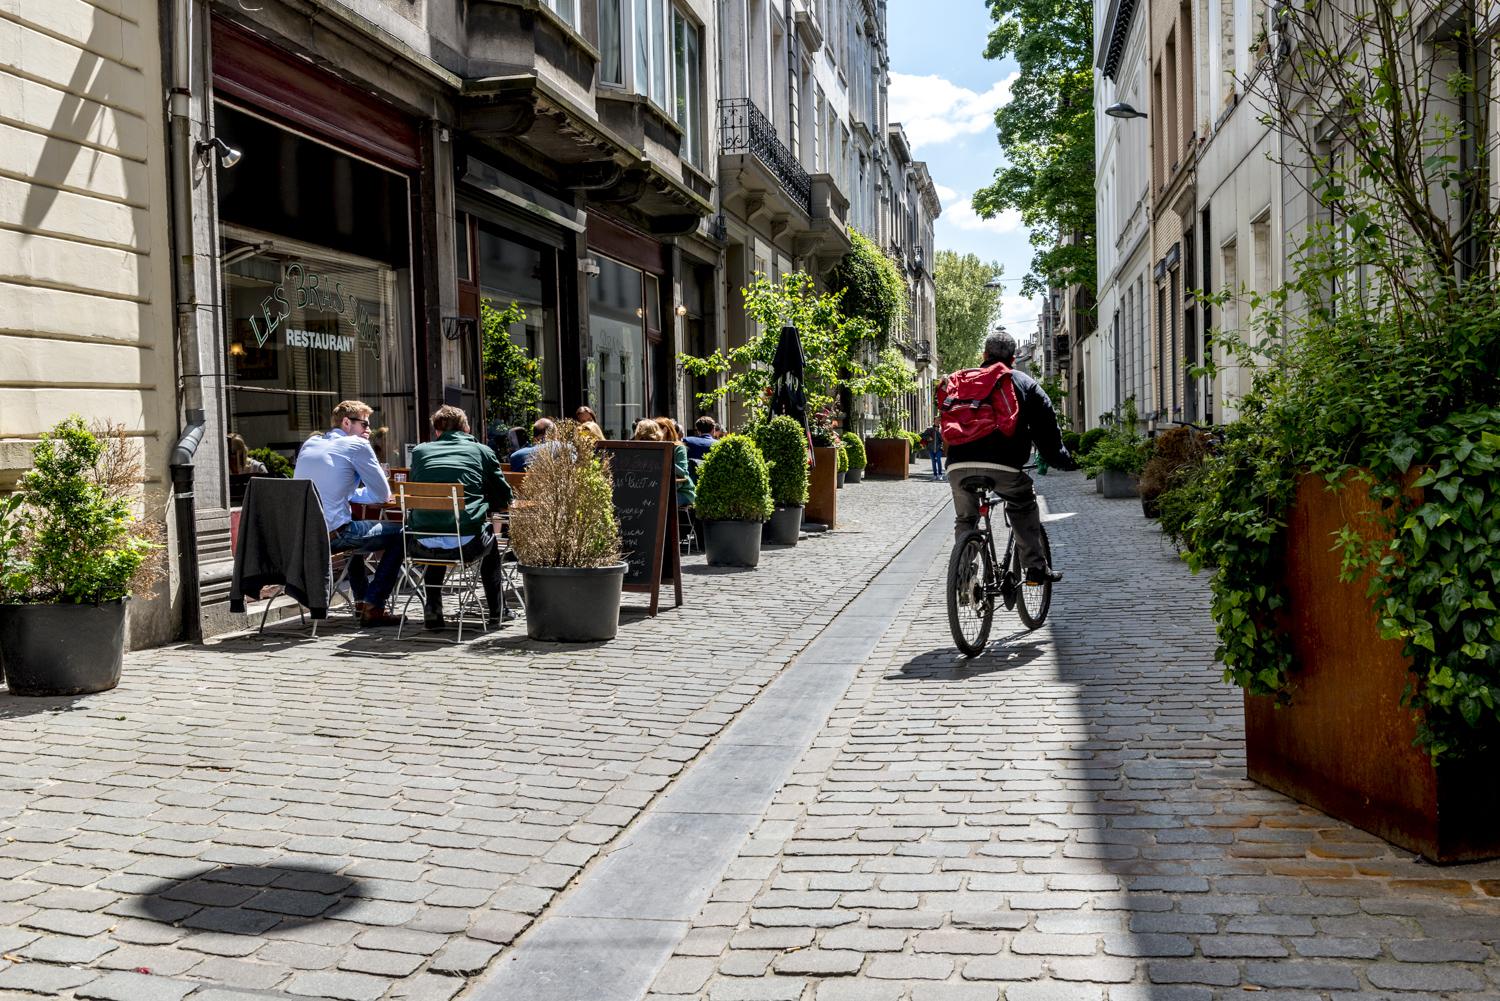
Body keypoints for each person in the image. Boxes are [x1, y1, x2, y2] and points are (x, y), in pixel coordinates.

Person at [944, 332, 1076, 584]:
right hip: (1003, 465)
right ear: (1014, 359)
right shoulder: (1024, 383)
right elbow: (1046, 432)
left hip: (958, 465)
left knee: (966, 518)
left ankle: (962, 576)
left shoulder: (962, 381)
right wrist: (1063, 461)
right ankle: (1035, 568)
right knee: (1023, 501)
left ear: (984, 355)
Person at [293, 400, 404, 626]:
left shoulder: (311, 443)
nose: (369, 431)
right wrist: (378, 496)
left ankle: (362, 600)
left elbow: (335, 491)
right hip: (334, 537)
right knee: (402, 532)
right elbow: (382, 494)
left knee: (352, 524)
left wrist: (359, 493)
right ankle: (374, 605)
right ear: (346, 423)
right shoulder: (356, 445)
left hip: (302, 537)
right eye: (364, 425)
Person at [406, 405, 513, 630]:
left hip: (419, 544)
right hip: (466, 545)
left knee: (436, 527)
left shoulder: (419, 451)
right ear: (465, 428)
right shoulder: (482, 450)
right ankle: (497, 610)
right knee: (489, 542)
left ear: (437, 431)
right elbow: (504, 494)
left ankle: (433, 610)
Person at [653, 416, 696, 508]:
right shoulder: (654, 448)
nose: (654, 434)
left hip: (682, 491)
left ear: (665, 430)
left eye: (656, 430)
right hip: (659, 489)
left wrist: (666, 459)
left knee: (658, 503)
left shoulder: (679, 448)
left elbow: (683, 472)